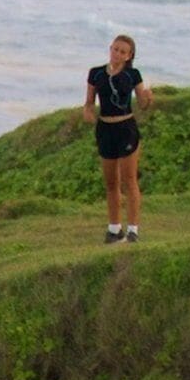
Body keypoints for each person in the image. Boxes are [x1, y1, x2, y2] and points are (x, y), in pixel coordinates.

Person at [83, 34, 153, 243]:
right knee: (111, 182)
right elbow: (88, 102)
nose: (117, 54)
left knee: (129, 179)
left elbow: (142, 104)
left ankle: (133, 230)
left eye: (123, 52)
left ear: (129, 56)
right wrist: (87, 112)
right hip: (105, 128)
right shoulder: (95, 73)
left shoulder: (133, 74)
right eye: (115, 49)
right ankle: (114, 230)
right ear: (110, 48)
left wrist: (148, 98)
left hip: (126, 128)